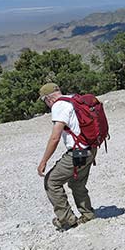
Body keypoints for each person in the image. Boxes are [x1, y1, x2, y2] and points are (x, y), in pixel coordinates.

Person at [37, 83, 97, 231]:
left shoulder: (58, 106)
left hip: (79, 152)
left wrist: (43, 161)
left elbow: (54, 138)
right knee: (77, 183)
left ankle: (67, 220)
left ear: (48, 99)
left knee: (51, 181)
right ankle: (87, 214)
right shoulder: (73, 98)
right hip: (92, 148)